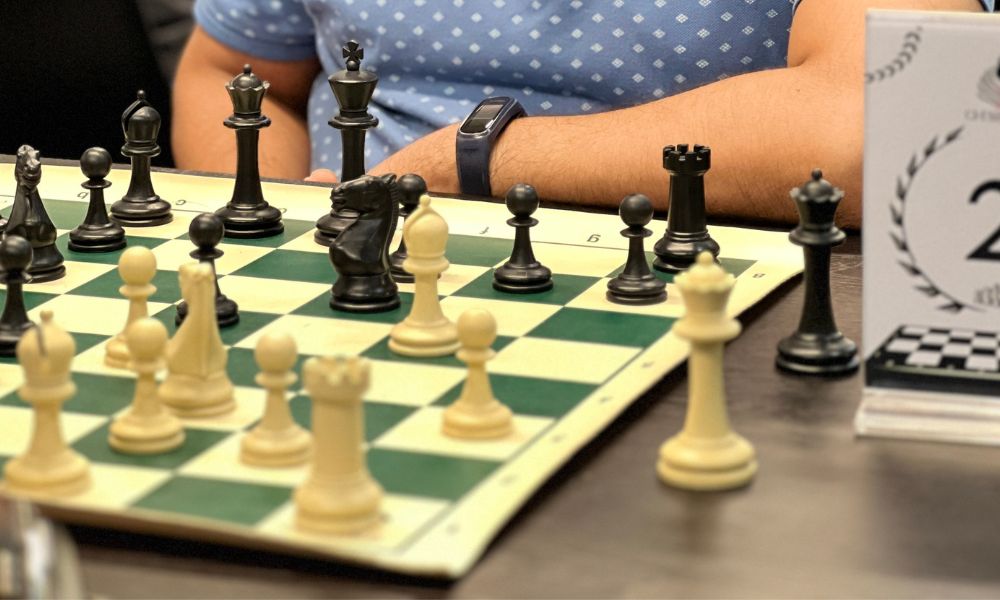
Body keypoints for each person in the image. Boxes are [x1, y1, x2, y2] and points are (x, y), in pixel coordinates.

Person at [172, 0, 994, 227]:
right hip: (349, 271)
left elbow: (882, 124)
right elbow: (231, 75)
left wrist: (462, 161)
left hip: (699, 296)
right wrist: (264, 228)